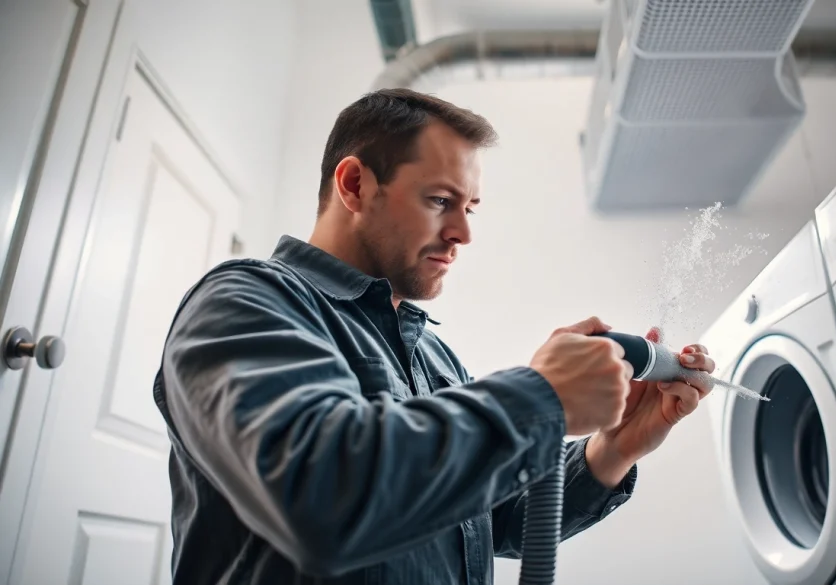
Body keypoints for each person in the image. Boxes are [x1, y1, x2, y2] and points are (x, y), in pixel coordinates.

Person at [153, 88, 716, 585]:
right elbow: (319, 497)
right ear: (353, 185)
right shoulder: (245, 302)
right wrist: (541, 394)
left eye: (469, 207)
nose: (464, 233)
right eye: (441, 201)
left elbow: (493, 522)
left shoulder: (433, 355)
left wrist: (613, 447)